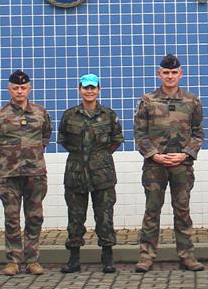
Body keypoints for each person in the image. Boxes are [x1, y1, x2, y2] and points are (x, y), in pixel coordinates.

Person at [133, 53, 205, 272]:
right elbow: (139, 133)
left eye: (174, 72)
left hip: (182, 166)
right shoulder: (148, 101)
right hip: (155, 166)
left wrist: (186, 154)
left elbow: (198, 133)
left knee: (182, 210)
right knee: (152, 211)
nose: (170, 76)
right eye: (166, 73)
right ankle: (146, 256)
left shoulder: (191, 101)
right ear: (159, 74)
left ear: (180, 74)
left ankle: (187, 256)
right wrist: (154, 154)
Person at [0, 70, 53, 276]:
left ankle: (32, 260)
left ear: (29, 88)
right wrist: (9, 157)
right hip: (9, 175)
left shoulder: (41, 113)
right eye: (16, 88)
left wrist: (31, 156)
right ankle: (13, 260)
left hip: (35, 173)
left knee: (34, 217)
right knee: (11, 217)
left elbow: (45, 138)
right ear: (9, 89)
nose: (20, 91)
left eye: (23, 88)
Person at [58, 73, 124, 274]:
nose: (89, 91)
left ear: (98, 90)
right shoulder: (70, 115)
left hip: (102, 173)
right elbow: (64, 140)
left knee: (105, 216)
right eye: (86, 87)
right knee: (75, 217)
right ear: (79, 89)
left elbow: (116, 139)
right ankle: (74, 259)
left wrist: (98, 157)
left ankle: (107, 259)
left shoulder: (108, 115)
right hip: (76, 172)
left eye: (93, 87)